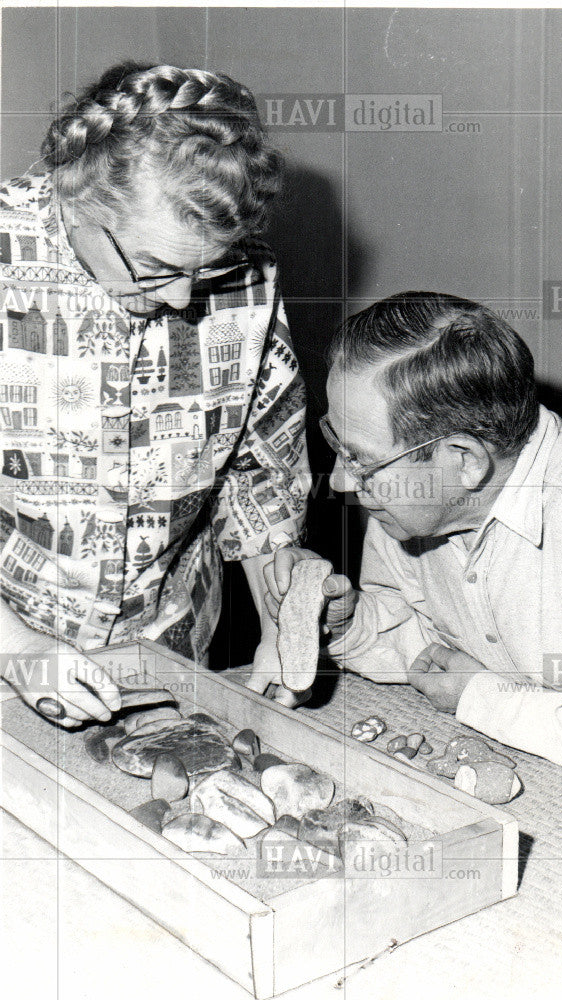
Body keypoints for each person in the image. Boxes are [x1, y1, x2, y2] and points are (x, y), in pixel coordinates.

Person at [260, 292, 562, 782]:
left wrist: (480, 698)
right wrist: (343, 626)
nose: (343, 481)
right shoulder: (416, 503)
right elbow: (427, 652)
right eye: (339, 447)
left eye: (362, 460)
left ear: (465, 461)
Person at [0, 62, 310, 725]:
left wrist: (281, 610)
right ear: (75, 191)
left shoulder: (246, 278)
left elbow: (258, 472)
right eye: (157, 268)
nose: (179, 300)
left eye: (205, 271)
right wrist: (18, 648)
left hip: (168, 646)